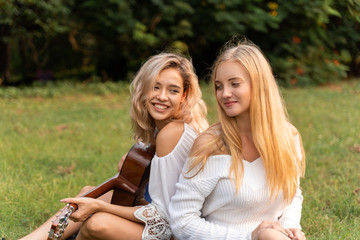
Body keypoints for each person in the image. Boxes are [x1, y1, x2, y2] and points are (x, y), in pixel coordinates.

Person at [20, 52, 208, 240]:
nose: (162, 96)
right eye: (155, 87)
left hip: (178, 231)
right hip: (170, 218)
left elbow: (164, 217)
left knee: (97, 223)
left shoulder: (172, 132)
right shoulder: (168, 126)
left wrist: (101, 207)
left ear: (184, 95)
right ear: (143, 89)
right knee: (88, 193)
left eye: (173, 90)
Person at [168, 38, 306, 240]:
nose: (225, 94)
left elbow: (293, 195)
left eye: (234, 84)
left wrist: (290, 228)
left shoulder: (288, 137)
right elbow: (181, 221)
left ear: (259, 85)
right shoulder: (209, 145)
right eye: (218, 86)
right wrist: (249, 236)